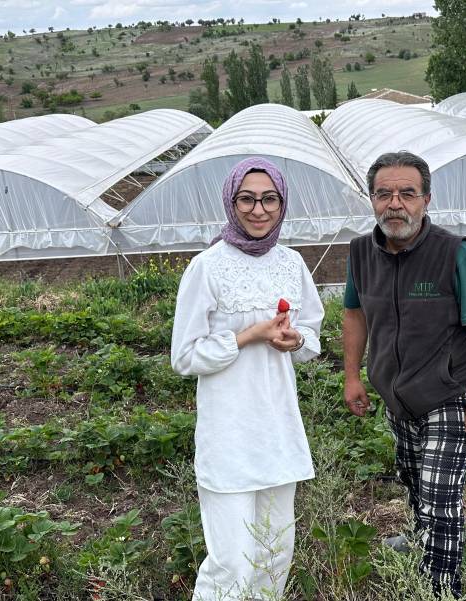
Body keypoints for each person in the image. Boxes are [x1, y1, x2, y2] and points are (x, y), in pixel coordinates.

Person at [342, 151, 466, 597]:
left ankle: (440, 586)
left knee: (440, 498)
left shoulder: (454, 254)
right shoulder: (360, 252)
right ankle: (418, 538)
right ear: (372, 200)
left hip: (446, 394)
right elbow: (354, 314)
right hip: (396, 396)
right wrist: (352, 376)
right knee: (414, 478)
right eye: (384, 194)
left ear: (426, 199)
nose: (396, 204)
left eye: (407, 193)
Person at [170, 157, 324, 601]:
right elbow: (184, 356)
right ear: (231, 202)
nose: (259, 210)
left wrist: (294, 341)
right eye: (247, 199)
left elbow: (312, 334)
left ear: (282, 203)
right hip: (230, 434)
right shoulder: (207, 267)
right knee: (231, 563)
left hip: (276, 429)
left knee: (274, 555)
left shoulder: (292, 264)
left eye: (269, 199)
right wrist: (247, 336)